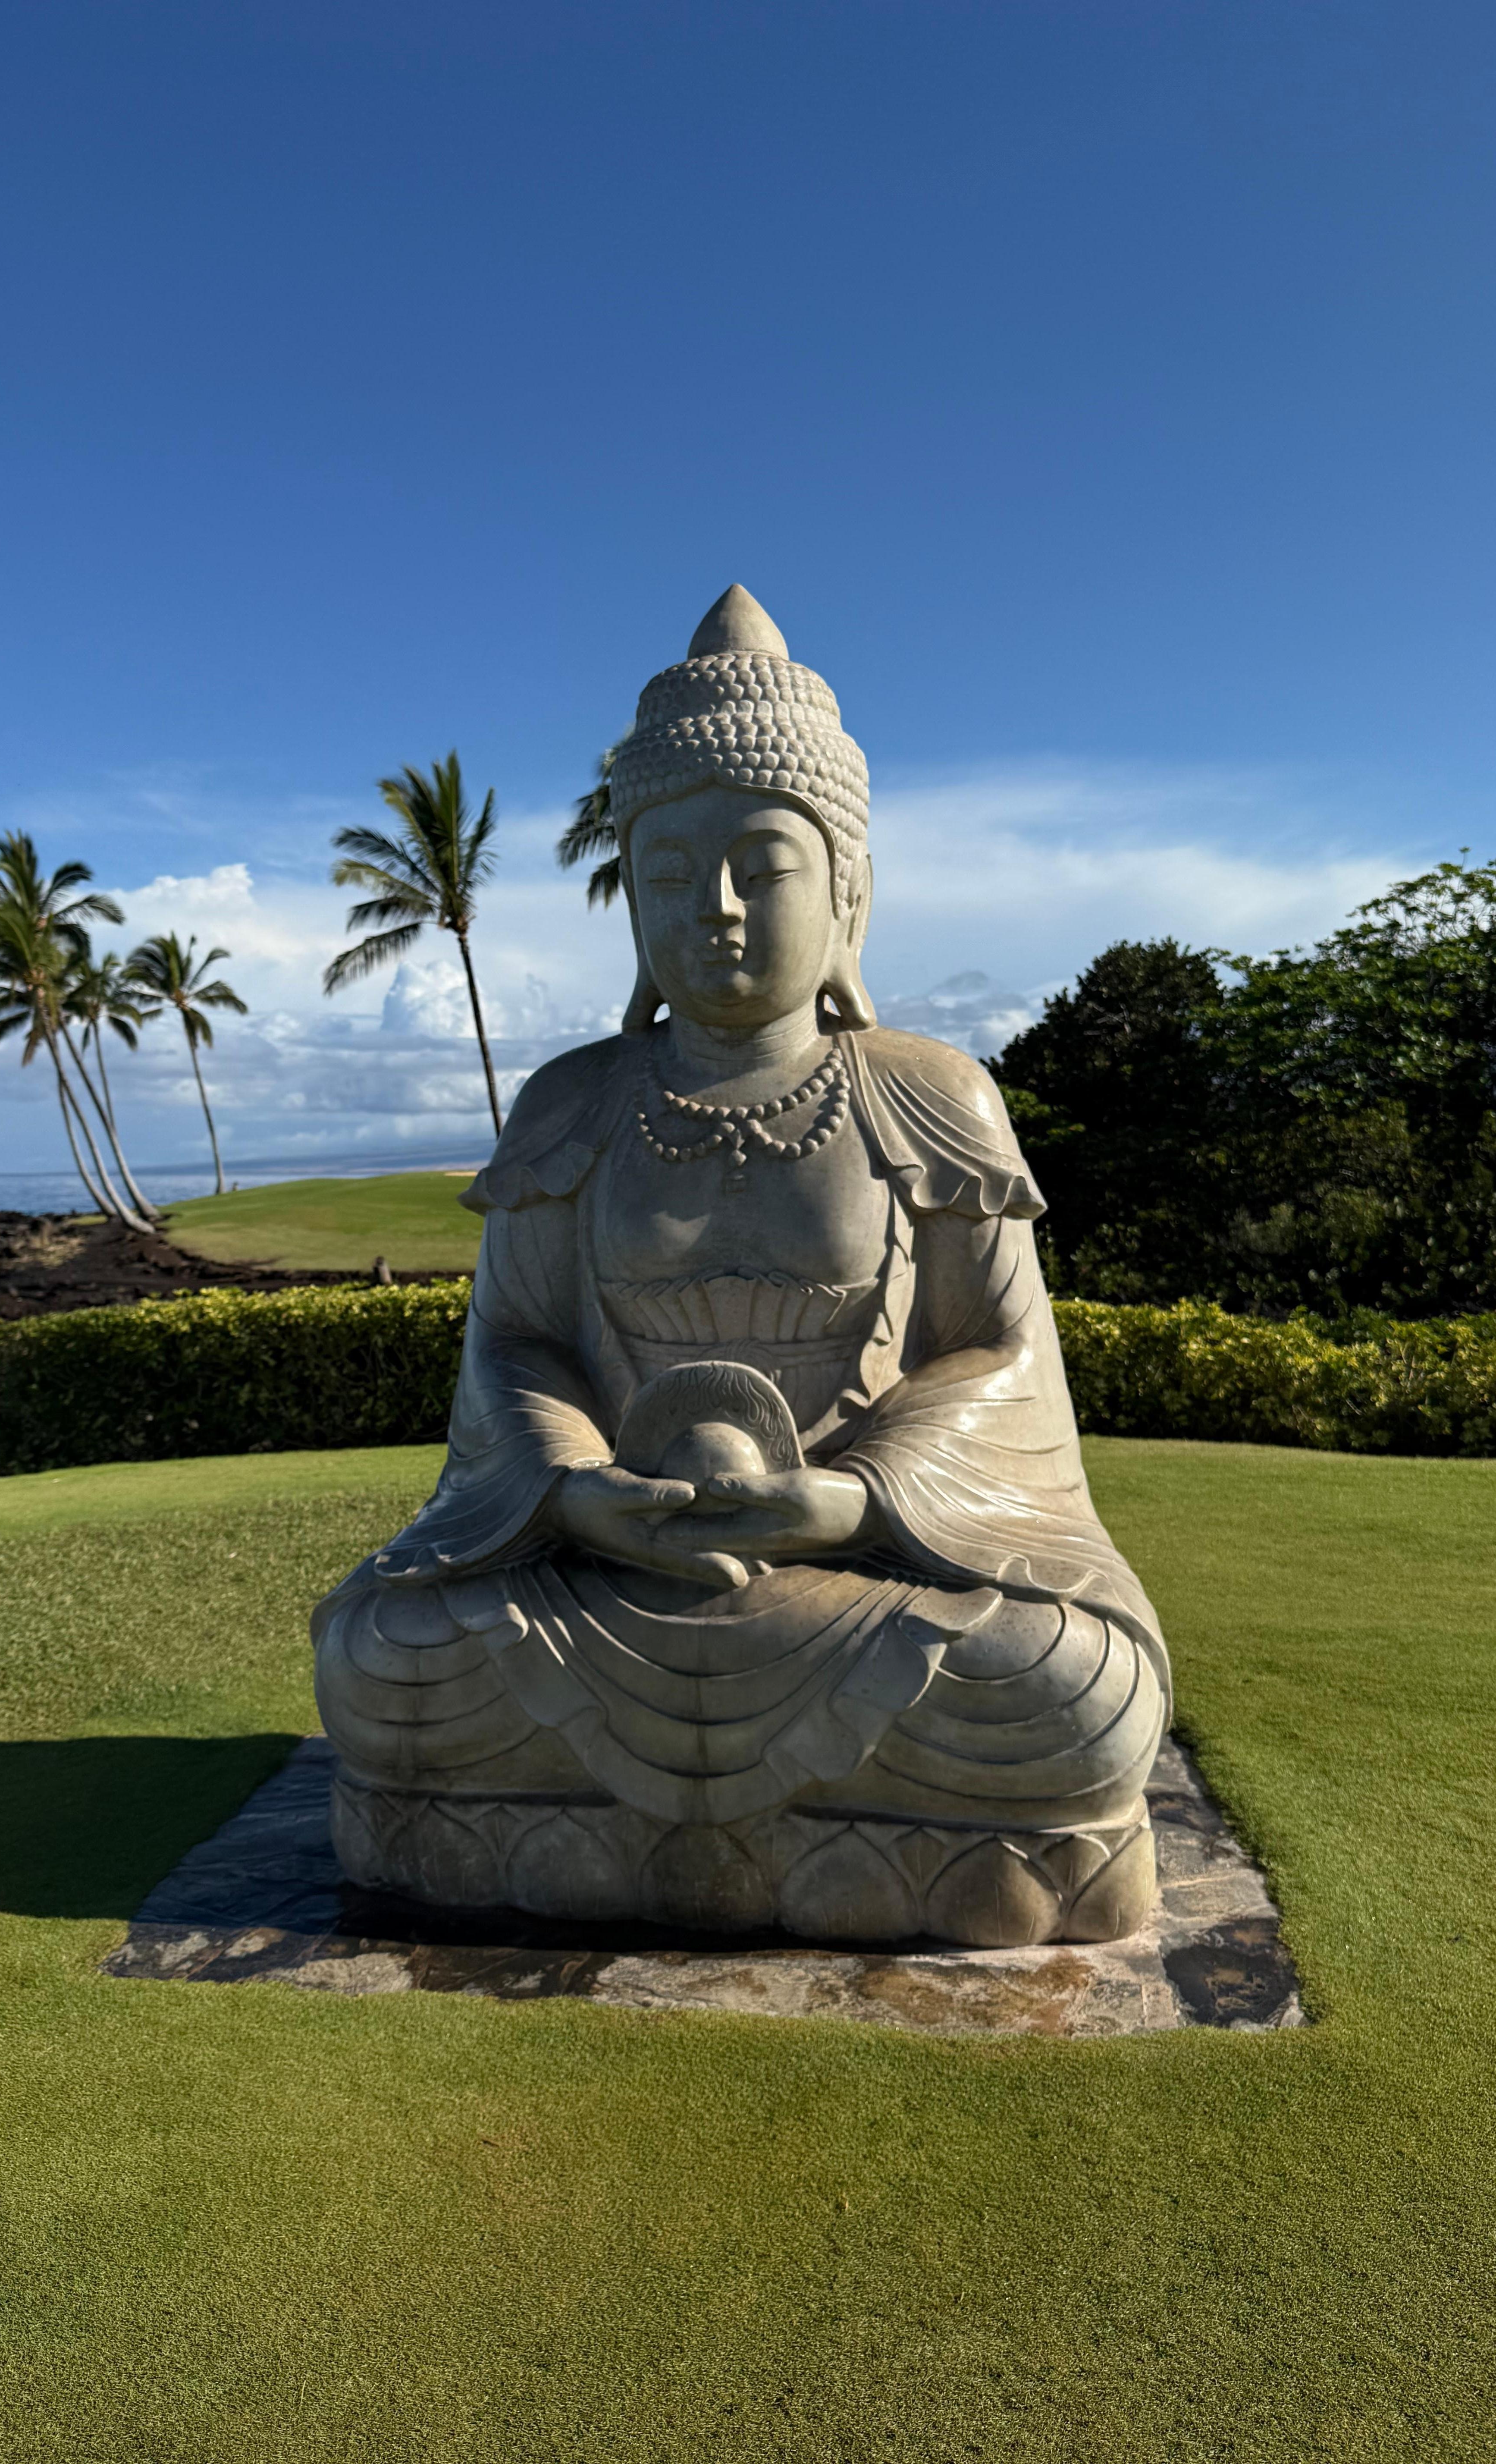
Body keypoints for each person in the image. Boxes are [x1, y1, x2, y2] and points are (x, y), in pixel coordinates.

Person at [313, 588, 1170, 1945]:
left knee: (1065, 1685)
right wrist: (581, 1495)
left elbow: (998, 1358)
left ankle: (566, 1842)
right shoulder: (572, 1106)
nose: (710, 909)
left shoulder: (926, 1094)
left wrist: (852, 1501)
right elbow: (514, 1349)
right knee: (380, 1656)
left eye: (759, 868)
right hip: (602, 1570)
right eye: (667, 876)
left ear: (846, 891)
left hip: (869, 1571)